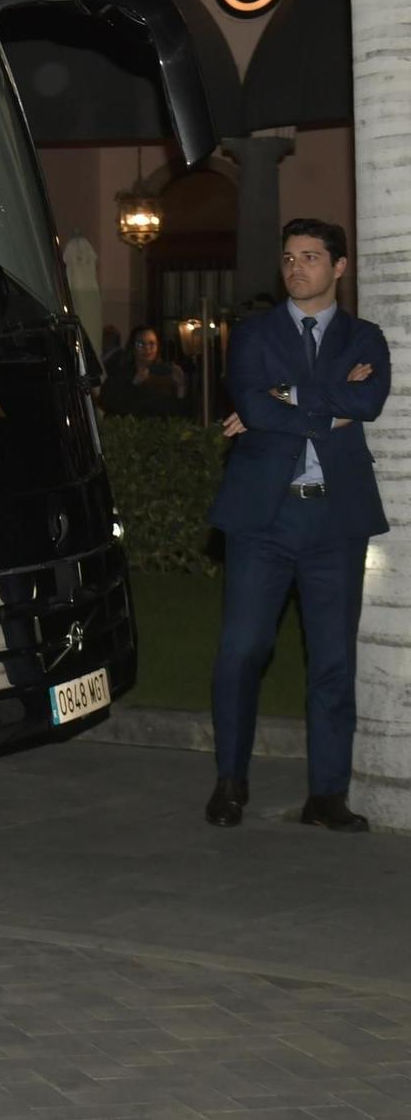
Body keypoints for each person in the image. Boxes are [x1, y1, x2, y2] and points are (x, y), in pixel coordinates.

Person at [205, 219, 388, 833]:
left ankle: (327, 796)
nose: (296, 267)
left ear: (339, 267)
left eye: (311, 257)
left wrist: (289, 399)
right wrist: (330, 397)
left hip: (335, 521)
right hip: (263, 517)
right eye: (288, 257)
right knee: (241, 651)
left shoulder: (366, 337)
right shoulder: (254, 332)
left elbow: (369, 403)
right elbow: (253, 405)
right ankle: (230, 782)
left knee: (333, 660)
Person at [101, 325, 187, 417]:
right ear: (132, 347)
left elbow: (177, 414)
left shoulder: (165, 373)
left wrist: (181, 386)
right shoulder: (120, 374)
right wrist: (134, 384)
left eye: (152, 344)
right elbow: (111, 407)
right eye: (140, 344)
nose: (147, 349)